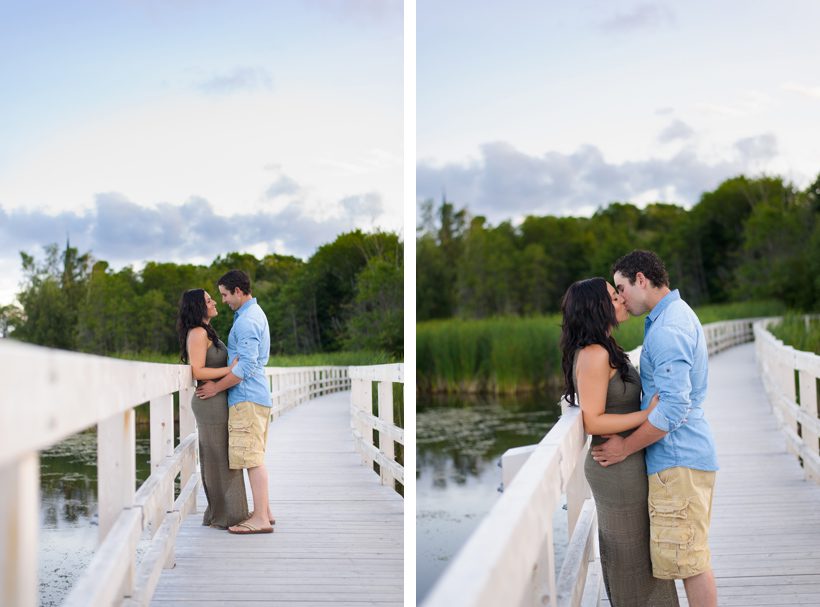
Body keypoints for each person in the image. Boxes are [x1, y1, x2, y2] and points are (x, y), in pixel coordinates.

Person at [592, 250, 719, 607]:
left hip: (678, 459)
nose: (620, 298)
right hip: (684, 456)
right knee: (691, 557)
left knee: (691, 563)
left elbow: (673, 407)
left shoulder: (668, 329)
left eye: (621, 288)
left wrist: (625, 447)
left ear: (641, 279)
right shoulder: (674, 316)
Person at [561, 277, 679, 606]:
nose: (622, 300)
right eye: (614, 297)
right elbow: (592, 420)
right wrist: (646, 416)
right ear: (597, 307)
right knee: (631, 560)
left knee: (640, 554)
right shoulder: (594, 354)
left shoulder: (607, 348)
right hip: (615, 469)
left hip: (626, 461)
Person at [195, 269, 275, 535]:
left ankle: (261, 518)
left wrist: (216, 387)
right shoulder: (253, 314)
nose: (224, 300)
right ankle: (265, 512)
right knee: (255, 455)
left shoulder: (246, 322)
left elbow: (246, 366)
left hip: (246, 397)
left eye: (225, 295)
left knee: (252, 459)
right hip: (255, 396)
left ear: (238, 291)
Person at [176, 288, 250, 529]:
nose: (214, 302)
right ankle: (227, 516)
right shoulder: (197, 333)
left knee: (223, 456)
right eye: (209, 300)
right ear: (199, 306)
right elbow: (197, 370)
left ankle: (228, 513)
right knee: (218, 457)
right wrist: (230, 370)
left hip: (217, 398)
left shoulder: (206, 331)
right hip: (209, 402)